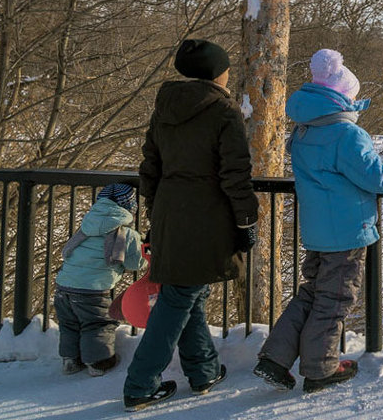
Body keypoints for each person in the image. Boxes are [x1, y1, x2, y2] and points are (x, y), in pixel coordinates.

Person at [254, 49, 383, 394]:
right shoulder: (346, 135)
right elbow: (375, 178)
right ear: (343, 98)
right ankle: (321, 368)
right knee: (334, 299)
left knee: (311, 293)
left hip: (317, 231)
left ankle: (274, 358)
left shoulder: (304, 132)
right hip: (347, 233)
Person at [122, 39, 259, 412]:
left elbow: (149, 168)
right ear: (217, 72)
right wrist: (247, 220)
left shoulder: (164, 108)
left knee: (190, 291)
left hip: (170, 211)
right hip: (206, 216)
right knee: (180, 295)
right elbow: (235, 174)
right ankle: (139, 384)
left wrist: (155, 211)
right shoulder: (224, 111)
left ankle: (204, 370)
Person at [54, 182, 146, 376]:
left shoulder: (86, 227)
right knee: (96, 323)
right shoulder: (127, 234)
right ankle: (98, 362)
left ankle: (70, 360)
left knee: (70, 323)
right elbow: (135, 263)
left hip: (64, 286)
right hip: (92, 290)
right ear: (130, 208)